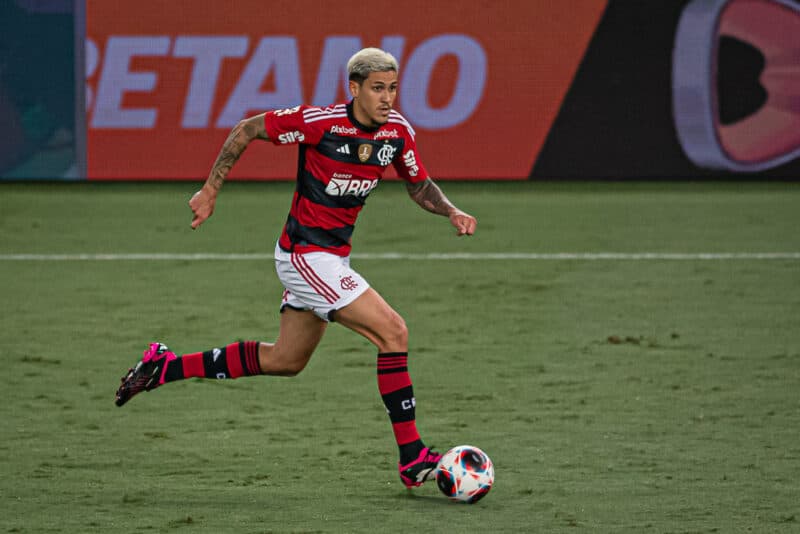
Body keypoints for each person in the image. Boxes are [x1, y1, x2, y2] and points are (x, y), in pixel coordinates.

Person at [115, 47, 477, 489]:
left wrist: (452, 211)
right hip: (305, 255)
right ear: (355, 88)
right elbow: (247, 128)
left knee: (285, 360)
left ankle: (165, 367)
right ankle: (412, 456)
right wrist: (210, 190)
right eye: (378, 88)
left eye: (393, 88)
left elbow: (418, 186)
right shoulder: (318, 123)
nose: (387, 98)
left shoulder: (397, 134)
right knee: (394, 332)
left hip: (331, 258)